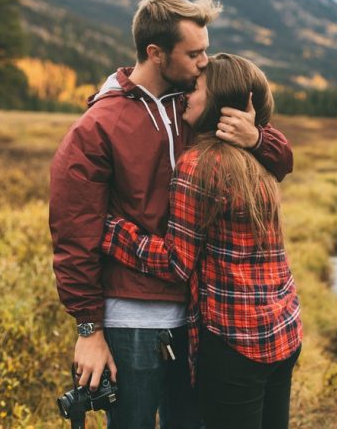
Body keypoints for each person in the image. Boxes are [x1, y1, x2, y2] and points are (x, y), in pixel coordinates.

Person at [49, 0, 294, 429]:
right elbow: (73, 235)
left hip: (204, 323)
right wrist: (89, 329)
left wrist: (256, 138)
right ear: (156, 53)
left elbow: (281, 160)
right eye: (195, 53)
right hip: (133, 324)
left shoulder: (200, 107)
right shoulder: (97, 126)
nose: (206, 62)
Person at [101, 53, 302, 429]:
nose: (185, 96)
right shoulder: (258, 158)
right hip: (283, 331)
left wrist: (111, 231)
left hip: (235, 342)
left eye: (195, 88)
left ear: (219, 104)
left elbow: (176, 263)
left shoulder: (199, 164)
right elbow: (282, 154)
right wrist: (259, 135)